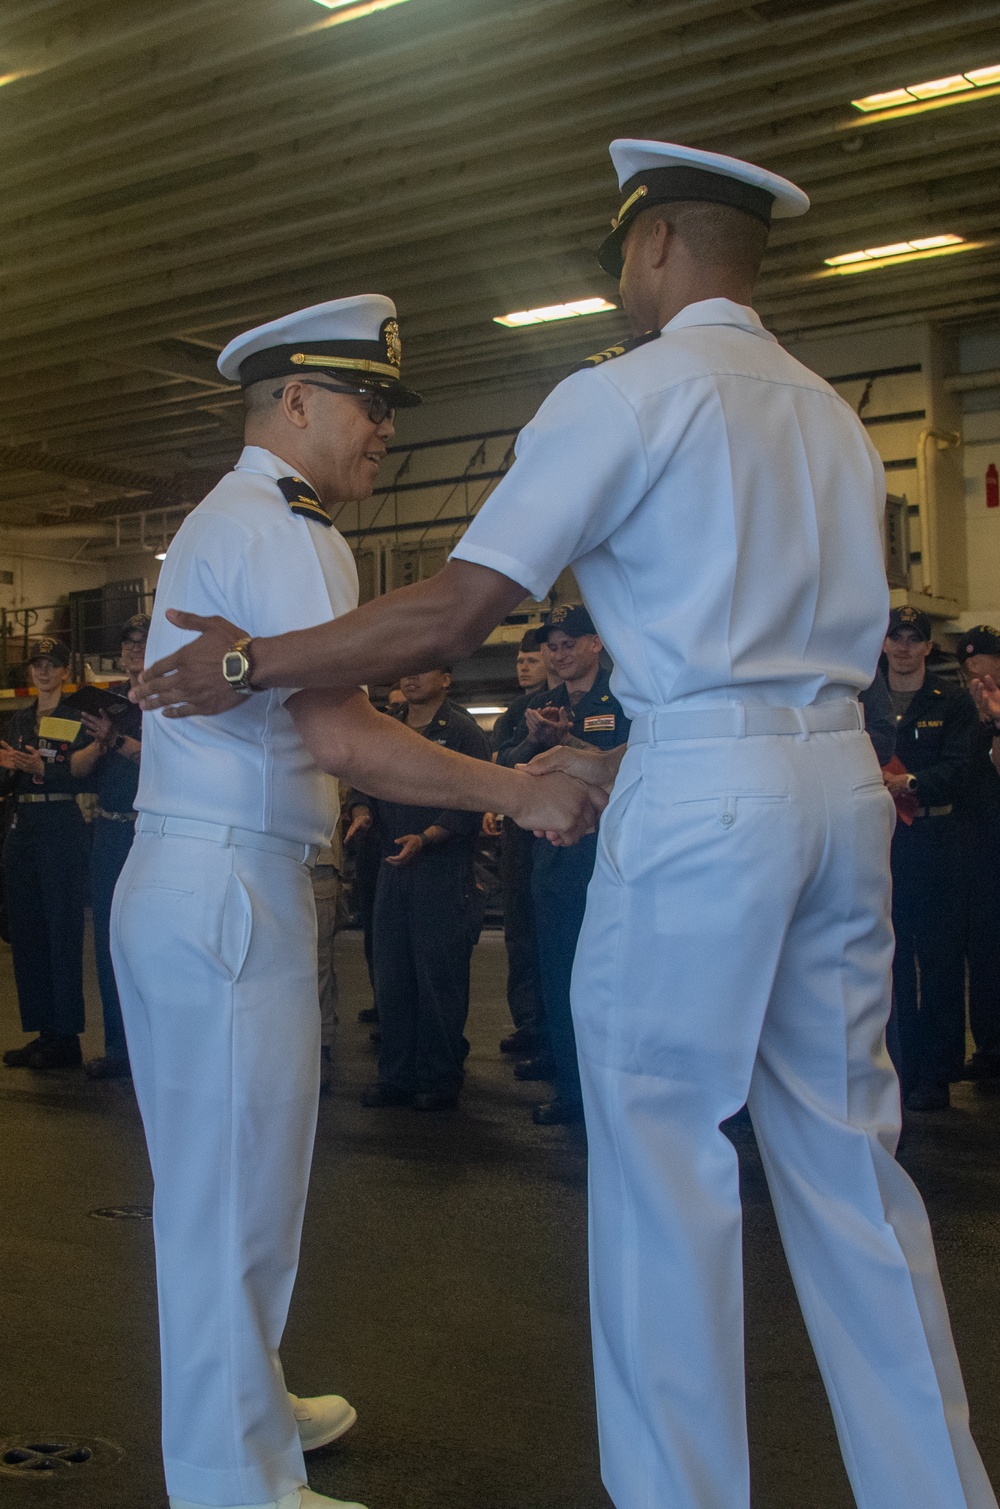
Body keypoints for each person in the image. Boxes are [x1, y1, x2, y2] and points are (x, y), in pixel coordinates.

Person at [135, 138, 998, 1509]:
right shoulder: (835, 414)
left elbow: (455, 612)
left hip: (708, 782)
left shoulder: (627, 396)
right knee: (851, 1165)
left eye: (616, 265)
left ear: (652, 246)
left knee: (663, 1162)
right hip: (839, 786)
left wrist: (246, 663)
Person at [114, 294, 598, 1509]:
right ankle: (233, 1480)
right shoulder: (286, 531)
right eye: (369, 404)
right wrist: (516, 789)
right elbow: (345, 735)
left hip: (209, 873)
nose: (385, 430)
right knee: (232, 1192)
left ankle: (249, 1403)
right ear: (295, 403)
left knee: (236, 1178)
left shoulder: (239, 519)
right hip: (231, 877)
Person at [499, 605, 629, 1124]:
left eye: (569, 642)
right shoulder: (538, 706)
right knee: (560, 971)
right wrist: (535, 740)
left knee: (616, 977)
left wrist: (569, 743)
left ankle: (619, 1093)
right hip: (554, 855)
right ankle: (574, 1091)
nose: (559, 653)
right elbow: (503, 764)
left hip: (612, 854)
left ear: (596, 643)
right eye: (552, 645)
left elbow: (633, 757)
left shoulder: (626, 696)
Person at [349, 668, 491, 1111]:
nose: (410, 679)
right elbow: (362, 777)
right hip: (392, 864)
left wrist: (428, 837)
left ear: (447, 678)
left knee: (437, 978)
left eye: (422, 670)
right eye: (404, 671)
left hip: (440, 870)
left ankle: (439, 1077)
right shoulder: (387, 725)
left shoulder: (463, 731)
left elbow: (474, 795)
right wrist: (361, 811)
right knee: (392, 977)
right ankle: (396, 1076)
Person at [881, 605, 976, 1111]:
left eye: (913, 639)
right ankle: (897, 1066)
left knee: (939, 959)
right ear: (882, 643)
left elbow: (961, 766)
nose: (903, 647)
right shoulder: (863, 699)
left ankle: (938, 1073)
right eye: (896, 637)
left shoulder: (953, 700)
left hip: (937, 837)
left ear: (927, 647)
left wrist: (911, 783)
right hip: (885, 839)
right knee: (889, 957)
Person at [1, 638, 89, 1071]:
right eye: (37, 664)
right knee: (29, 932)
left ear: (65, 672)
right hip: (24, 826)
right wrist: (9, 768)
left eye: (52, 664)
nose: (43, 671)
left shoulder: (76, 720)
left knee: (61, 929)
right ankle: (42, 1030)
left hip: (59, 825)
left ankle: (66, 1034)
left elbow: (82, 777)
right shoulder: (17, 721)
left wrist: (44, 770)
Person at [70, 614, 148, 1079]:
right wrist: (100, 744)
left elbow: (162, 758)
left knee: (154, 941)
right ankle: (119, 1047)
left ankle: (156, 1045)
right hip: (110, 831)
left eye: (144, 640)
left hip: (152, 832)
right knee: (108, 941)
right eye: (129, 641)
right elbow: (77, 769)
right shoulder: (109, 700)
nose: (135, 648)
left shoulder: (167, 697)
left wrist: (116, 740)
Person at [491, 629, 550, 1057]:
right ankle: (529, 1022)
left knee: (555, 932)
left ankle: (555, 1029)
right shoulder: (514, 714)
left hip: (563, 829)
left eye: (532, 659)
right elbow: (504, 762)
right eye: (520, 660)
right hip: (519, 832)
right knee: (521, 929)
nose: (524, 666)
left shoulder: (567, 702)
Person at [956, 625, 1000, 1081]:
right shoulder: (958, 708)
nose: (974, 664)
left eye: (983, 656)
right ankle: (988, 1045)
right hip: (975, 837)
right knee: (983, 946)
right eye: (968, 658)